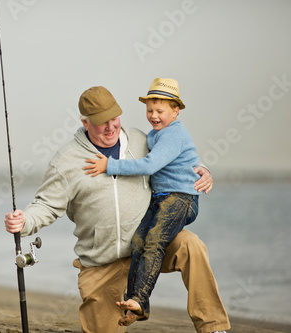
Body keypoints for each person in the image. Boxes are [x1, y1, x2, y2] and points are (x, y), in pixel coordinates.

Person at [4, 85, 230, 333]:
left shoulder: (140, 141)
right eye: (102, 122)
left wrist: (204, 169)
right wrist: (24, 222)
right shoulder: (66, 161)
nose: (111, 127)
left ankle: (213, 327)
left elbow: (175, 156)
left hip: (146, 248)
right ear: (85, 122)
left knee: (191, 245)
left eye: (114, 119)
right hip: (102, 263)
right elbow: (46, 204)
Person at [83, 78, 205, 327]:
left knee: (154, 241)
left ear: (175, 111)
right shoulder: (155, 135)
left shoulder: (174, 133)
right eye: (150, 110)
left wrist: (110, 166)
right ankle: (134, 305)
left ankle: (139, 299)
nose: (154, 116)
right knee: (138, 241)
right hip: (160, 199)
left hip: (181, 198)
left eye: (160, 111)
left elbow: (149, 165)